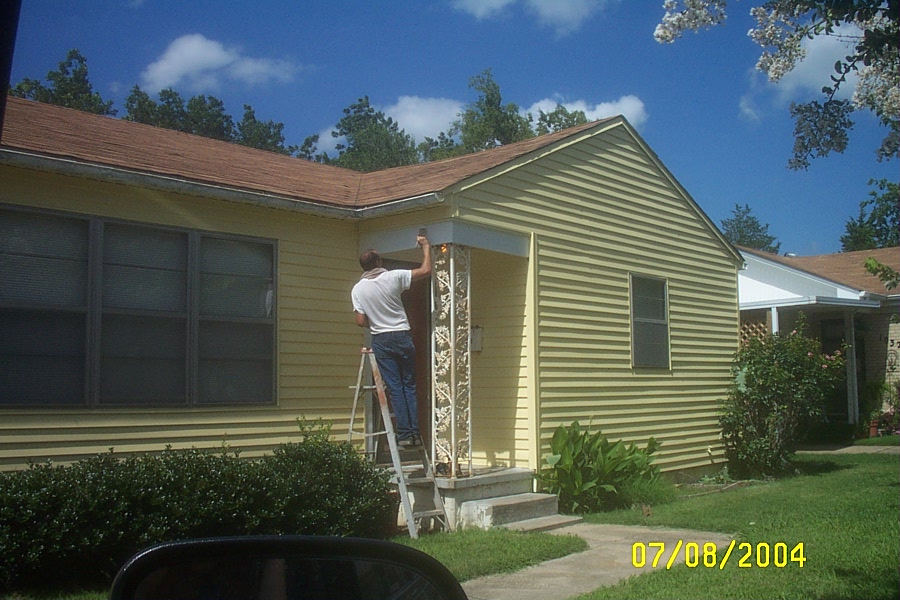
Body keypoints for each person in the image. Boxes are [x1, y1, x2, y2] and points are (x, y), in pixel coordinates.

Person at [351, 234, 431, 446]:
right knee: (409, 385)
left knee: (395, 387)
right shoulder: (392, 277)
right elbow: (425, 271)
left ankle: (404, 434)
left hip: (381, 338)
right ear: (378, 262)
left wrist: (376, 320)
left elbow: (360, 321)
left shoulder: (358, 289)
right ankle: (414, 432)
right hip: (402, 334)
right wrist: (425, 246)